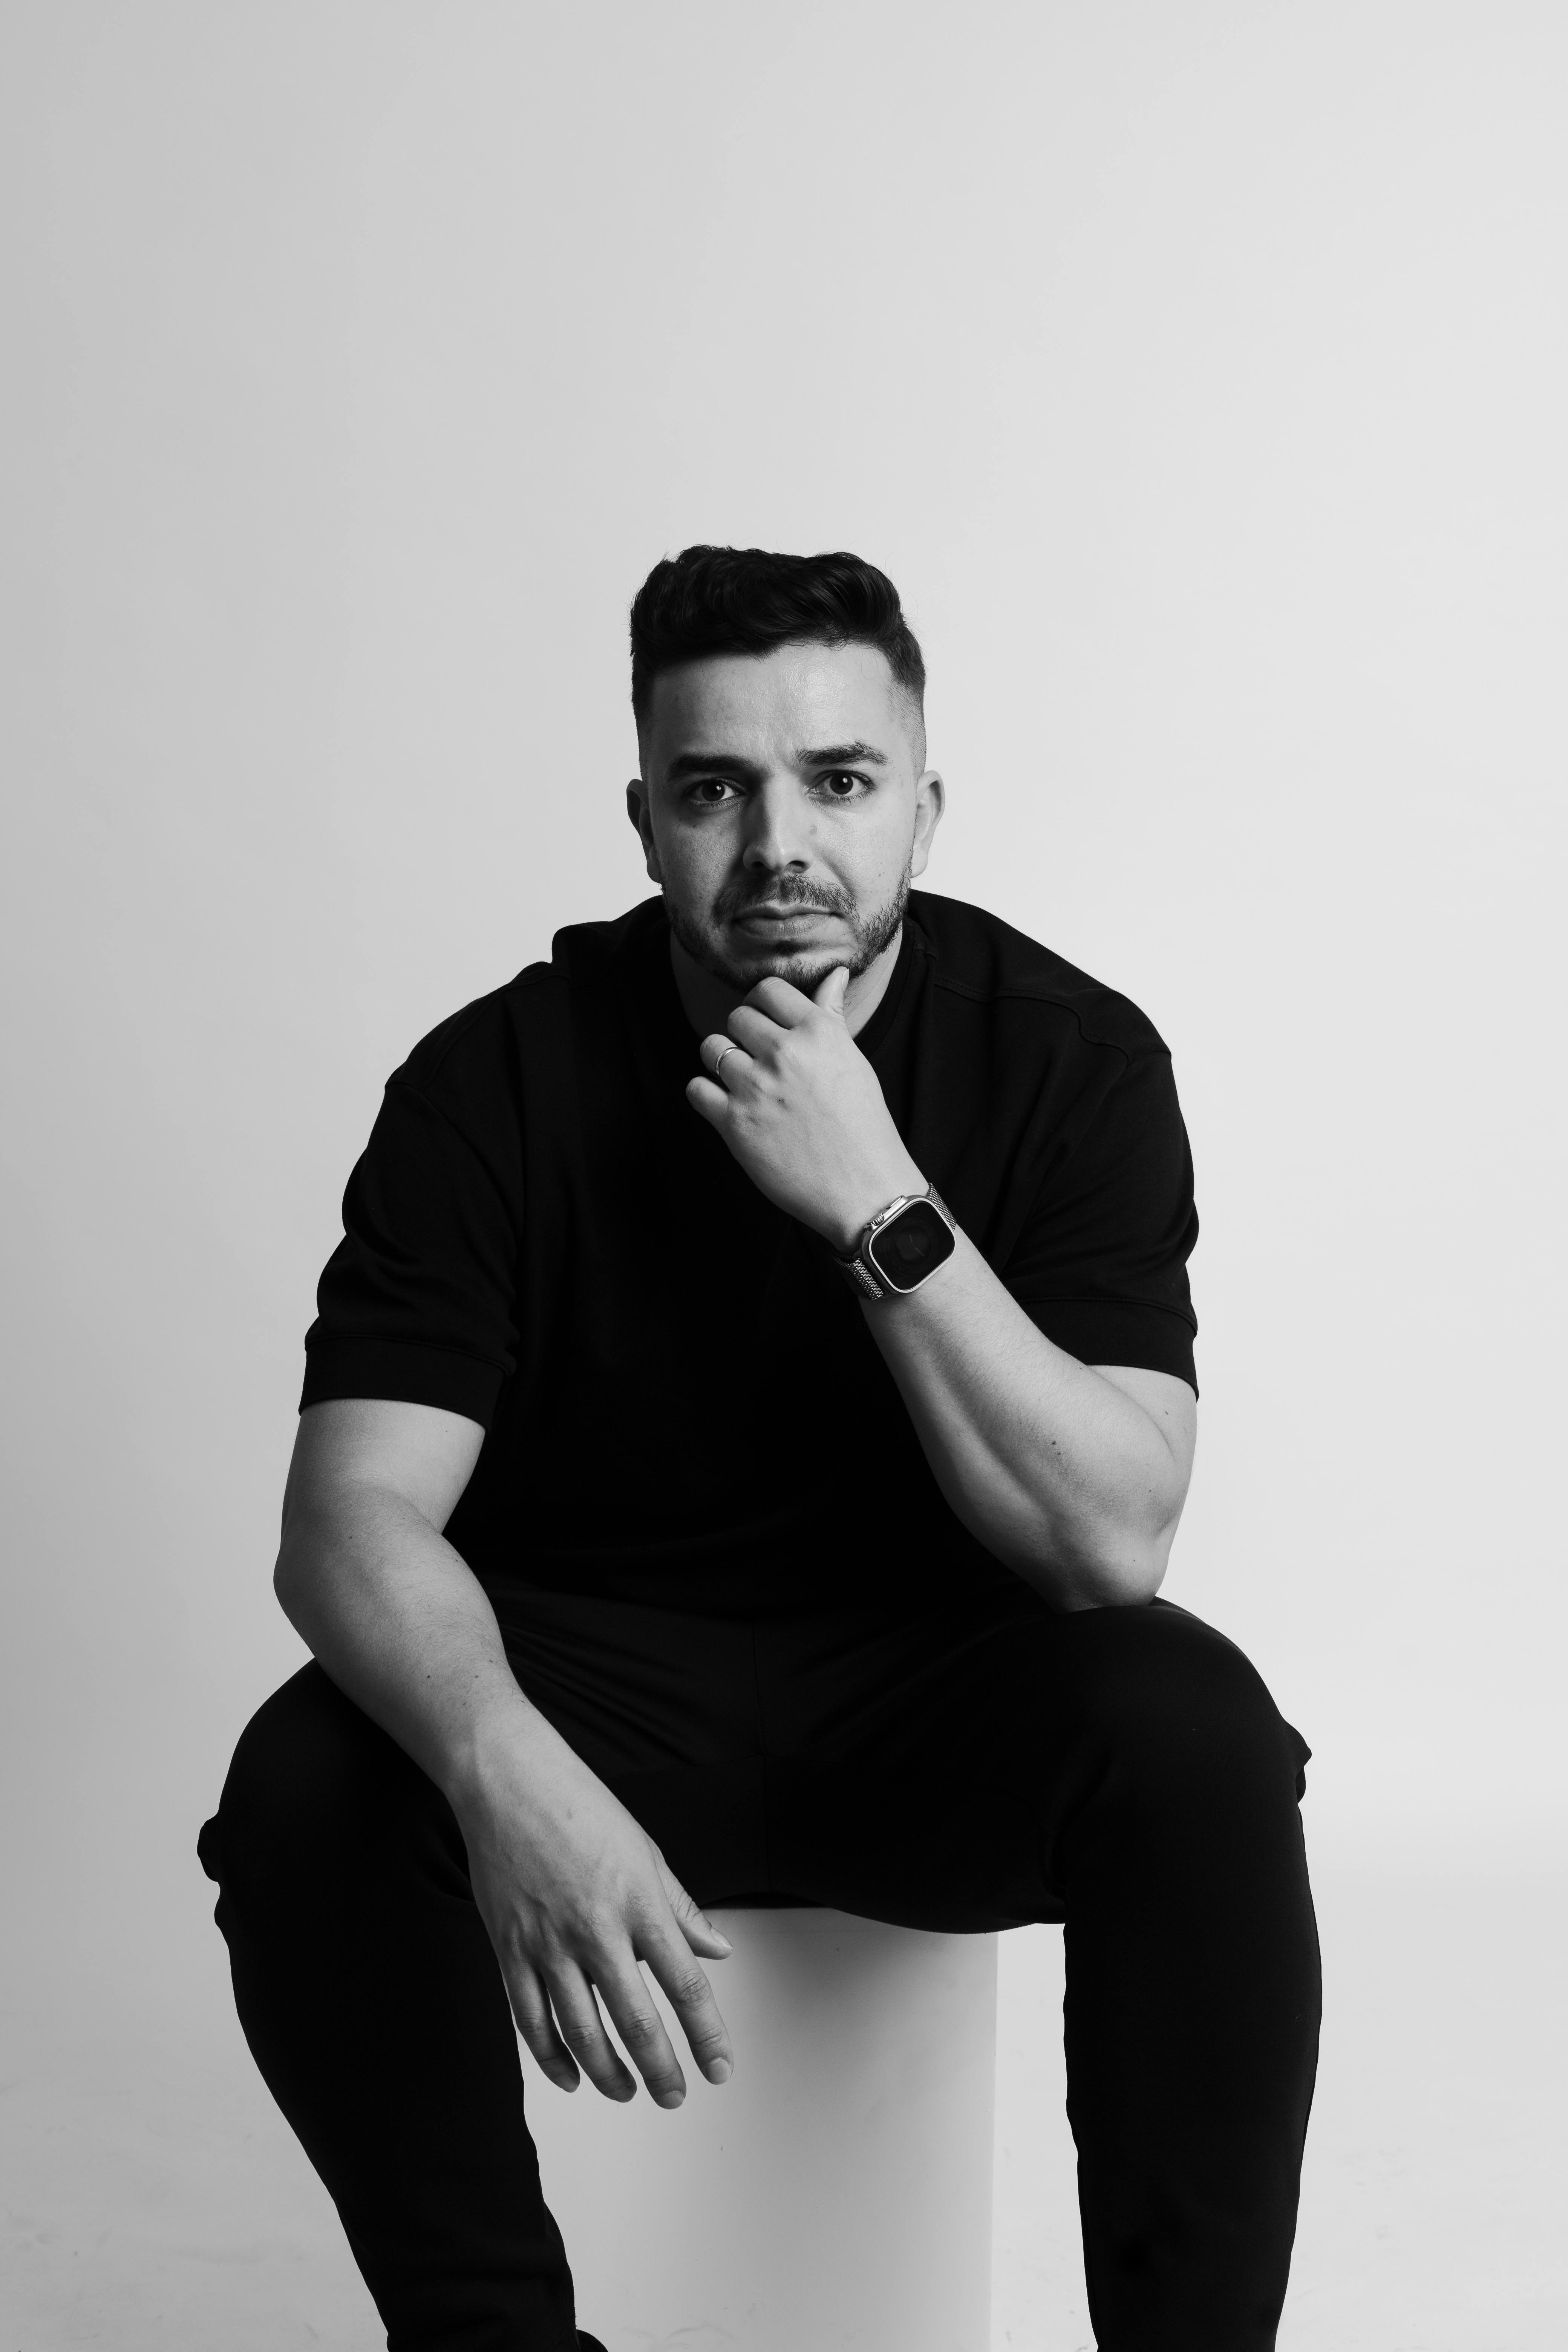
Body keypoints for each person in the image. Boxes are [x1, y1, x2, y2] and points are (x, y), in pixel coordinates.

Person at [199, 545, 1320, 2352]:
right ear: (644, 817)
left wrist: (869, 1193)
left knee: (1194, 1735)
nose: (778, 842)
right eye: (715, 788)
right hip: (596, 1697)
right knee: (312, 1779)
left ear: (924, 812)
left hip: (940, 1697)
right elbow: (347, 1523)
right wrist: (503, 1773)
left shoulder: (1073, 1064)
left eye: (840, 783)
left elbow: (1109, 1550)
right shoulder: (494, 1084)